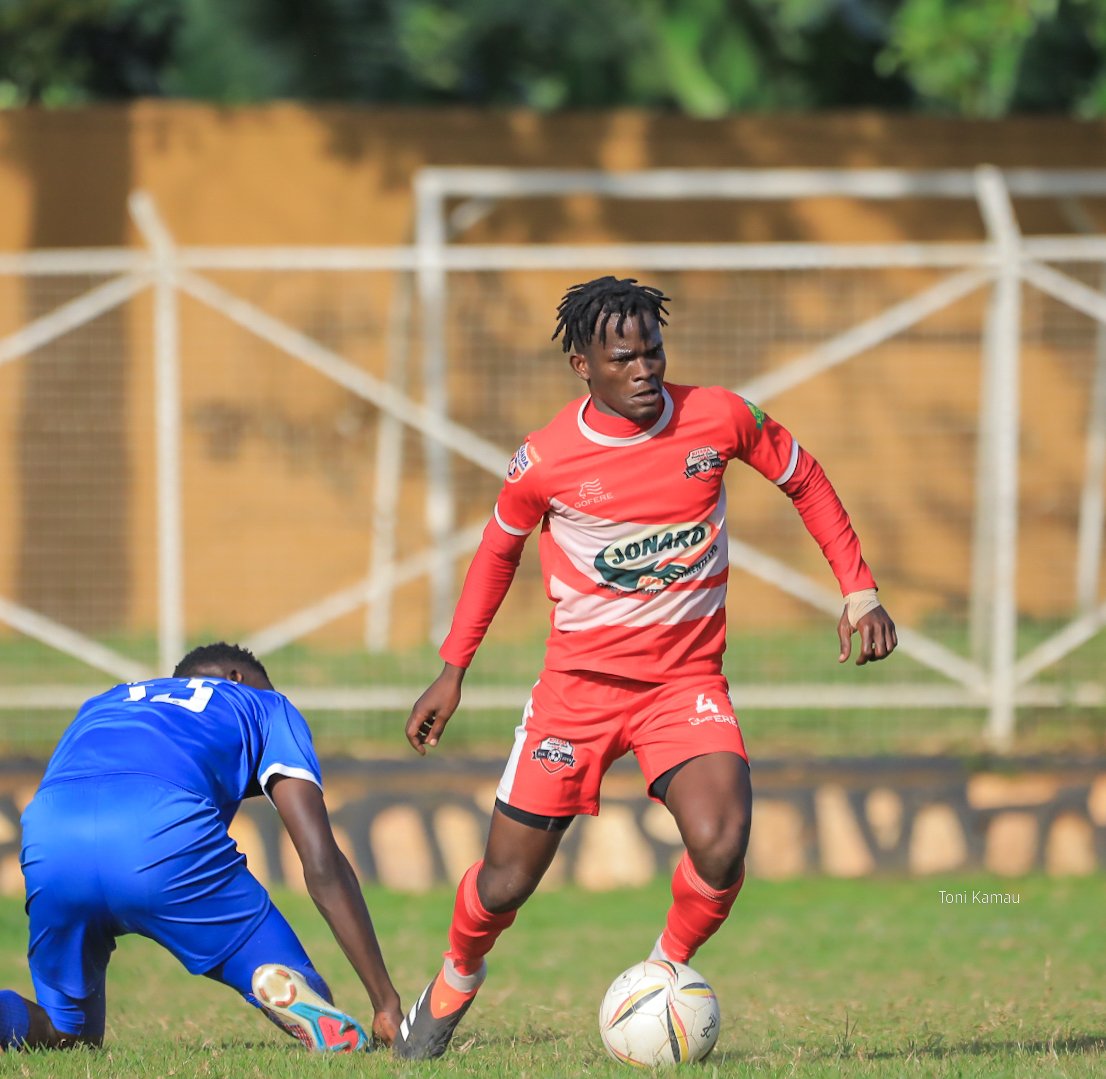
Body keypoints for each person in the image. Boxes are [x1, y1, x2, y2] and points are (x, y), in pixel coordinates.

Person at [393, 276, 898, 1060]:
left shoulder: (718, 417)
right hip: (577, 696)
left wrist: (859, 589)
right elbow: (498, 552)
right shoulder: (547, 459)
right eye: (623, 356)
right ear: (580, 365)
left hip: (684, 687)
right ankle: (457, 973)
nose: (644, 369)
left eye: (653, 351)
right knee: (504, 883)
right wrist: (452, 669)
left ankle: (662, 975)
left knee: (723, 840)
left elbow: (804, 475)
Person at [0, 641, 402, 1053]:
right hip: (160, 831)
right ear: (236, 678)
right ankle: (276, 980)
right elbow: (321, 862)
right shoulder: (266, 705)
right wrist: (385, 1002)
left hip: (51, 837)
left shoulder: (105, 703)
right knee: (292, 979)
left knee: (69, 1032)